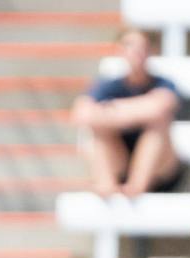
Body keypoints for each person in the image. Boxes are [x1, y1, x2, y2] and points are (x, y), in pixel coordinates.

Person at [72, 28, 183, 198]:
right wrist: (139, 111)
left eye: (142, 46)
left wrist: (111, 109)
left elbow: (160, 109)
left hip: (161, 172)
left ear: (151, 50)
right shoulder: (107, 85)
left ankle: (137, 185)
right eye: (131, 45)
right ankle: (106, 184)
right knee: (96, 129)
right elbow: (81, 114)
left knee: (159, 124)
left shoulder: (164, 83)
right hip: (120, 163)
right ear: (120, 50)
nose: (137, 52)